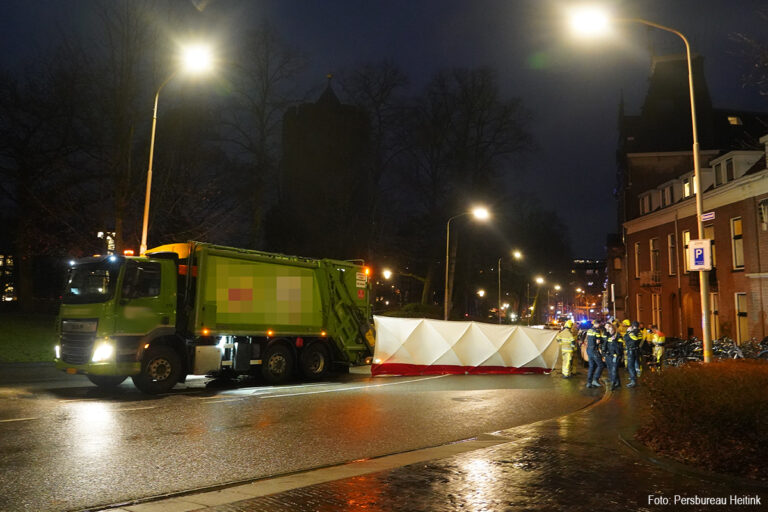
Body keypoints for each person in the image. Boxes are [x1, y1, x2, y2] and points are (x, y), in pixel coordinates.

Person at [585, 319, 605, 388]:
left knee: (591, 366)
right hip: (594, 350)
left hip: (589, 350)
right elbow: (598, 341)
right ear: (597, 324)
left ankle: (589, 382)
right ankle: (595, 380)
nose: (599, 326)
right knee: (600, 365)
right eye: (599, 324)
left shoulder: (589, 330)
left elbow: (587, 339)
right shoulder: (596, 331)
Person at [603, 322, 622, 390]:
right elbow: (605, 345)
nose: (610, 332)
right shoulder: (608, 336)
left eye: (612, 330)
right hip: (608, 355)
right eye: (609, 330)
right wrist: (604, 354)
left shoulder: (618, 336)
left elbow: (619, 348)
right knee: (610, 369)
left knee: (614, 370)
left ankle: (612, 383)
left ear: (614, 330)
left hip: (615, 355)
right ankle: (618, 382)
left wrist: (614, 341)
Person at [624, 321, 643, 387]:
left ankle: (633, 381)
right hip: (637, 350)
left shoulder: (632, 333)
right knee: (636, 364)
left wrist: (628, 332)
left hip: (631, 350)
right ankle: (634, 378)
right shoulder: (640, 332)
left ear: (632, 326)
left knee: (630, 366)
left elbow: (625, 338)